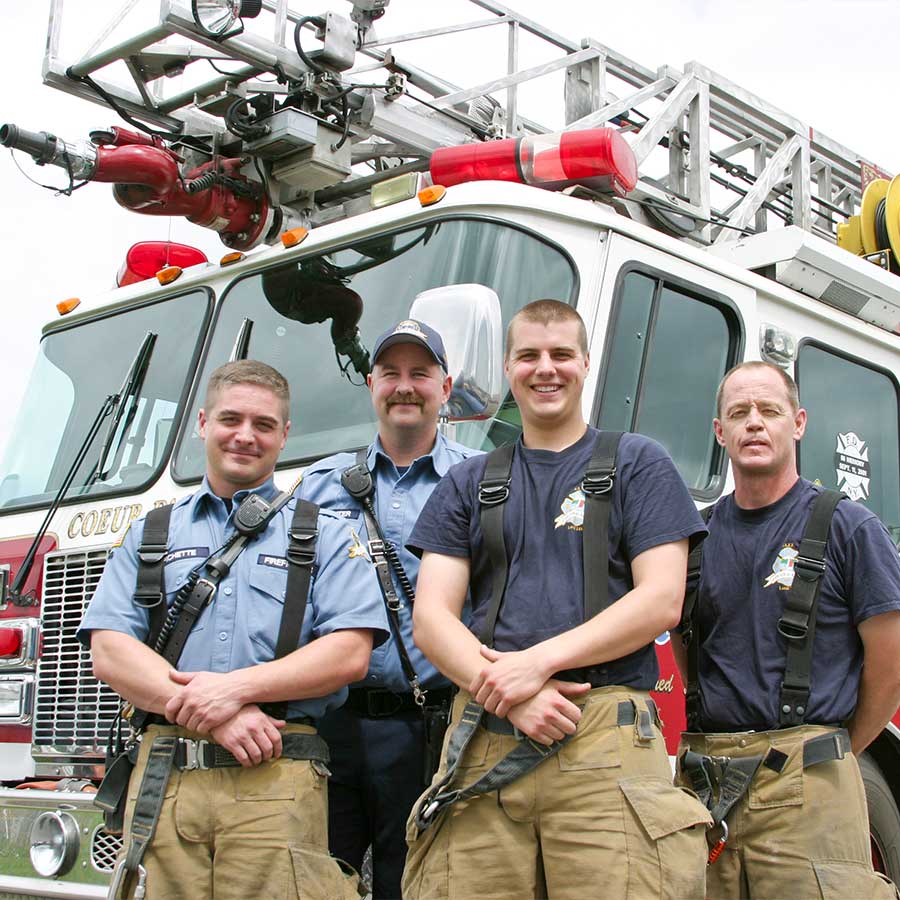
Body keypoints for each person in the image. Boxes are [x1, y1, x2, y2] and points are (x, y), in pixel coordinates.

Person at [403, 299, 713, 900]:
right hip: (487, 734)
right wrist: (509, 694)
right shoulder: (468, 482)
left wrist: (535, 664)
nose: (546, 369)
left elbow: (660, 601)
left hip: (605, 739)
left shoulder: (638, 463)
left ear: (586, 364)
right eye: (529, 356)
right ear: (508, 369)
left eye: (561, 354)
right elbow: (432, 619)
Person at [78, 360, 389, 900]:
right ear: (203, 423)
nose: (246, 436)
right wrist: (218, 714)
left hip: (276, 776)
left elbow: (347, 654)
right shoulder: (150, 533)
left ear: (284, 435)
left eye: (264, 425)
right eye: (231, 419)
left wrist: (235, 690)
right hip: (164, 784)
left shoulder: (327, 535)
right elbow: (110, 650)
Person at [674, 360, 900, 898]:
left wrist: (829, 748)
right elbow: (691, 654)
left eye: (769, 410)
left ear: (797, 423)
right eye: (739, 412)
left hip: (811, 791)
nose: (754, 423)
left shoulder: (850, 528)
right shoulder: (694, 538)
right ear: (719, 431)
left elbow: (890, 664)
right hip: (707, 787)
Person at [298, 319, 479, 900]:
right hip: (332, 730)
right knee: (318, 882)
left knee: (421, 886)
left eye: (420, 374)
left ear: (445, 388)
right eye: (391, 374)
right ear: (371, 384)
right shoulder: (317, 486)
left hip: (434, 728)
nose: (405, 386)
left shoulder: (483, 481)